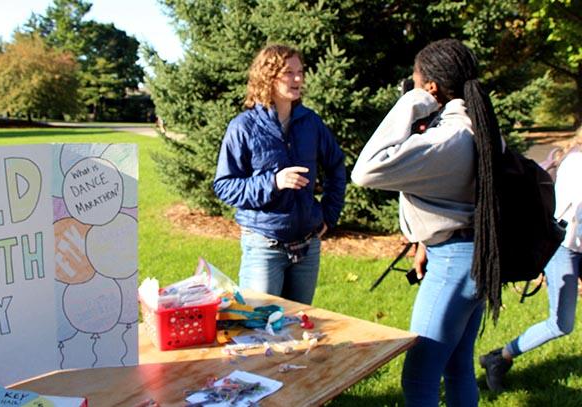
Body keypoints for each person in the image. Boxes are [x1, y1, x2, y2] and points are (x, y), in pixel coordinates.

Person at [351, 38, 506, 406]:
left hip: (453, 264)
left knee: (419, 379)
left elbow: (365, 171)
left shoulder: (446, 140)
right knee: (457, 367)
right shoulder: (480, 129)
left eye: (417, 81)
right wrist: (423, 243)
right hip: (475, 255)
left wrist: (411, 102)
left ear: (431, 87)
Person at [213, 44, 346, 305]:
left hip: (308, 245)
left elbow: (336, 166)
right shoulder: (243, 126)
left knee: (297, 326)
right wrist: (274, 182)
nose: (298, 79)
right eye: (288, 72)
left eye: (300, 71)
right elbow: (225, 186)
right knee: (259, 325)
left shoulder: (311, 122)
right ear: (268, 77)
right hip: (264, 246)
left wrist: (329, 216)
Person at [479, 126, 582, 392]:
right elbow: (574, 215)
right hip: (565, 247)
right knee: (561, 323)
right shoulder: (576, 162)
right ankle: (499, 358)